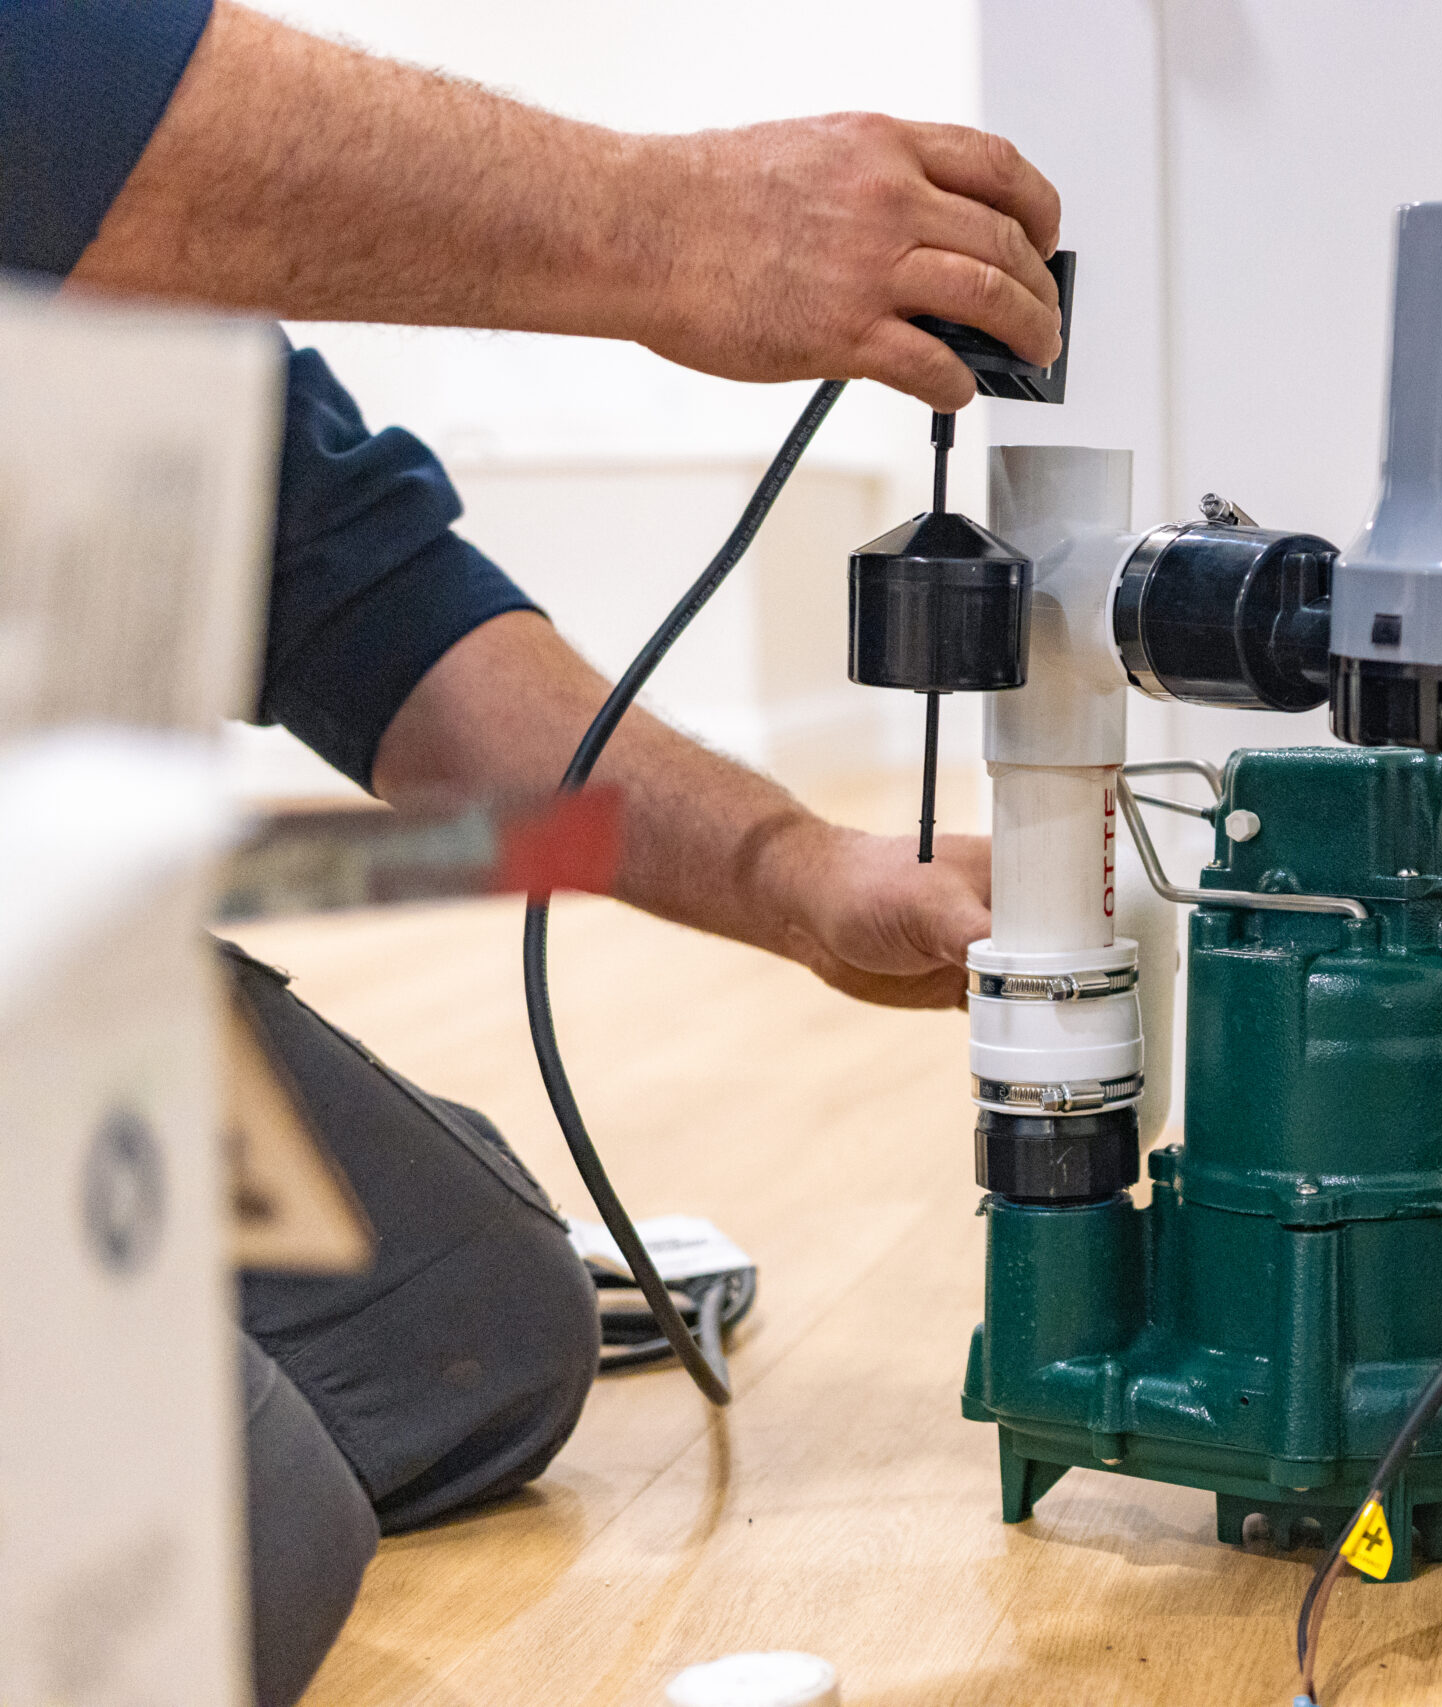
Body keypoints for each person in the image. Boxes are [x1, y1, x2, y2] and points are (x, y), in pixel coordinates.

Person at [3, 4, 1064, 1702]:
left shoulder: (121, 288)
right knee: (238, 1534)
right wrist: (675, 230)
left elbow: (366, 610)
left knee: (470, 1338)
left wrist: (796, 873)